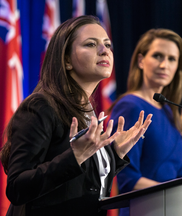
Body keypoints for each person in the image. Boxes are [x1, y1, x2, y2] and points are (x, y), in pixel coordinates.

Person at [0, 15, 152, 216]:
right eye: (91, 44)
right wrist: (74, 156)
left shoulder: (87, 113)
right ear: (67, 60)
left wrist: (115, 154)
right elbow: (18, 187)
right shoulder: (41, 106)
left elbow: (80, 185)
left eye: (107, 45)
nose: (104, 50)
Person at [109, 28, 182, 216]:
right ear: (141, 60)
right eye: (158, 56)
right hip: (142, 209)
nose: (164, 65)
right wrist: (176, 192)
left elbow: (178, 171)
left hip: (172, 209)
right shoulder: (131, 106)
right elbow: (128, 178)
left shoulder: (168, 110)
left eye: (172, 59)